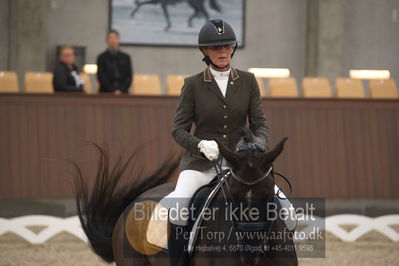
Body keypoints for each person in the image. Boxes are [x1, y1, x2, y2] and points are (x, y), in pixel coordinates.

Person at [97, 29, 133, 94]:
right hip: (106, 92)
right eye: (110, 38)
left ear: (118, 40)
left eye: (115, 38)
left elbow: (129, 77)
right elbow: (101, 76)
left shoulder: (126, 57)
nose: (113, 40)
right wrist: (113, 90)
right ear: (107, 40)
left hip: (123, 92)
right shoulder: (101, 57)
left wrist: (121, 90)